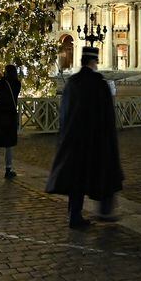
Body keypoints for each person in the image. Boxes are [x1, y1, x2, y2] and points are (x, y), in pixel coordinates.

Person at [46, 46, 124, 228]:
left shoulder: (72, 82)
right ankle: (105, 210)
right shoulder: (99, 83)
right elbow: (107, 116)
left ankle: (74, 215)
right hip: (95, 140)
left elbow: (63, 112)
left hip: (73, 140)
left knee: (76, 179)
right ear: (93, 62)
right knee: (103, 174)